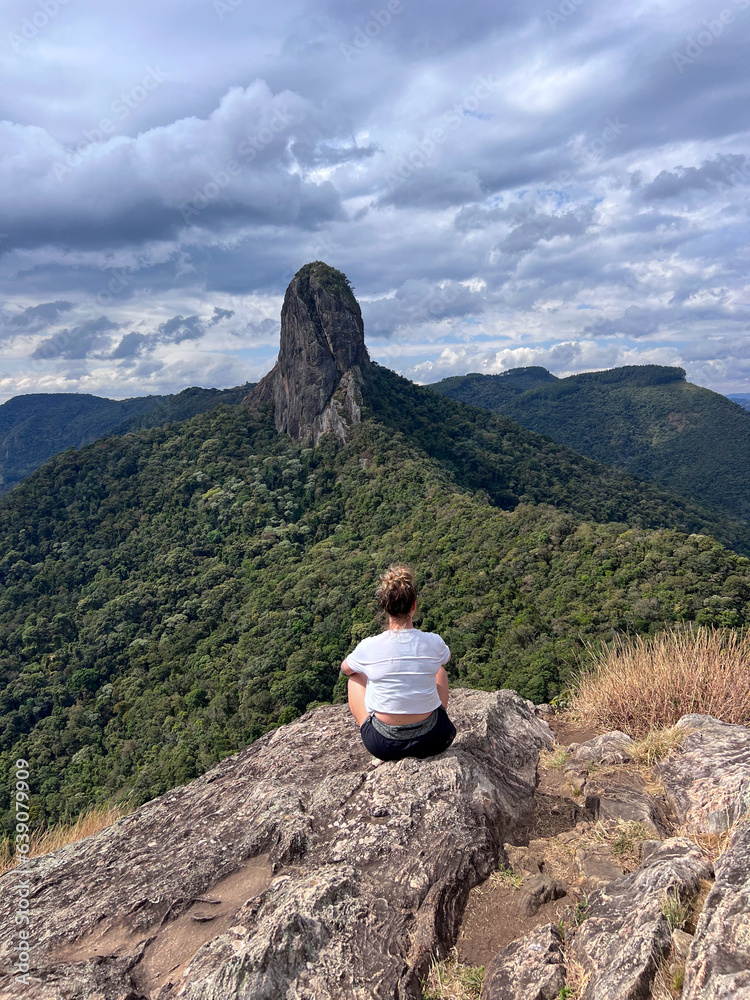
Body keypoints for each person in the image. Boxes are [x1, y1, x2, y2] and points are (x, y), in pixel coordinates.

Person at [340, 564, 457, 762]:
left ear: (385, 607)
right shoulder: (433, 641)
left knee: (355, 678)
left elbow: (346, 668)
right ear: (413, 606)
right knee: (440, 671)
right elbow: (446, 658)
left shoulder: (369, 646)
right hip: (434, 740)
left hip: (383, 745)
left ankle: (367, 724)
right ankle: (439, 714)